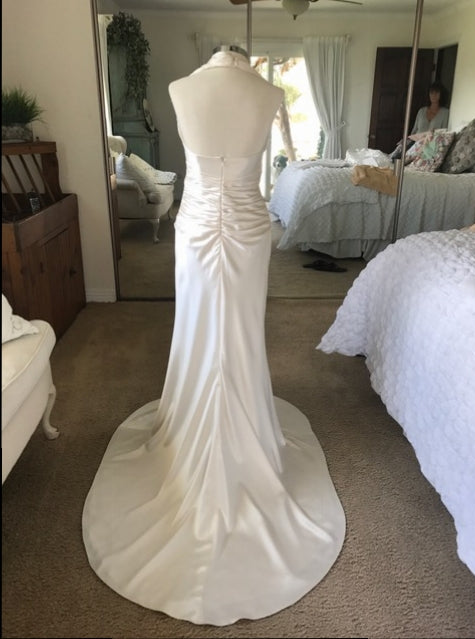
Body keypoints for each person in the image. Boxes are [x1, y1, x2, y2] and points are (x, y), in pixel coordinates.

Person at [82, 46, 345, 626]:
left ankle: (222, 425)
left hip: (203, 226)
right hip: (240, 229)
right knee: (226, 332)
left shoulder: (191, 88)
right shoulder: (254, 92)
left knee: (223, 332)